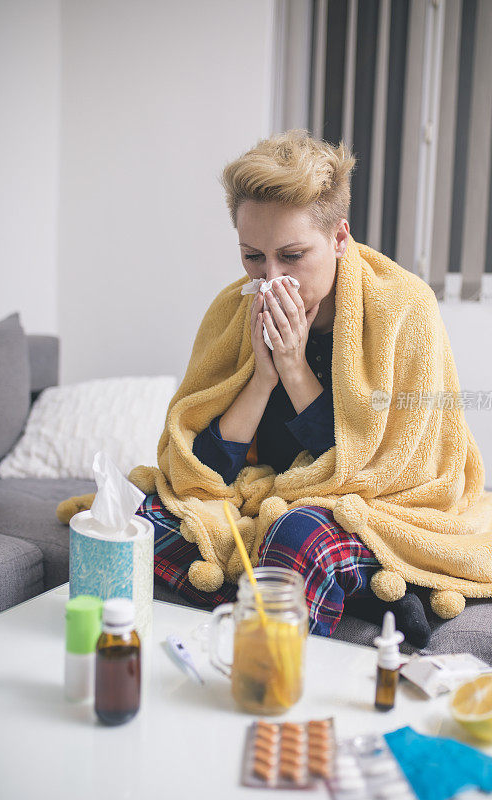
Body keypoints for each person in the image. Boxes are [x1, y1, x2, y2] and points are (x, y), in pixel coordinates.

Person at [135, 129, 432, 647]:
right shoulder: (234, 310)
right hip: (264, 497)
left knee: (295, 537)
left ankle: (269, 649)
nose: (271, 279)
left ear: (340, 239)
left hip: (363, 508)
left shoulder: (402, 309)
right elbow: (201, 473)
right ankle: (319, 598)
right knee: (137, 524)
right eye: (253, 257)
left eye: (292, 256)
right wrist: (262, 378)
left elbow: (372, 472)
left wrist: (294, 368)